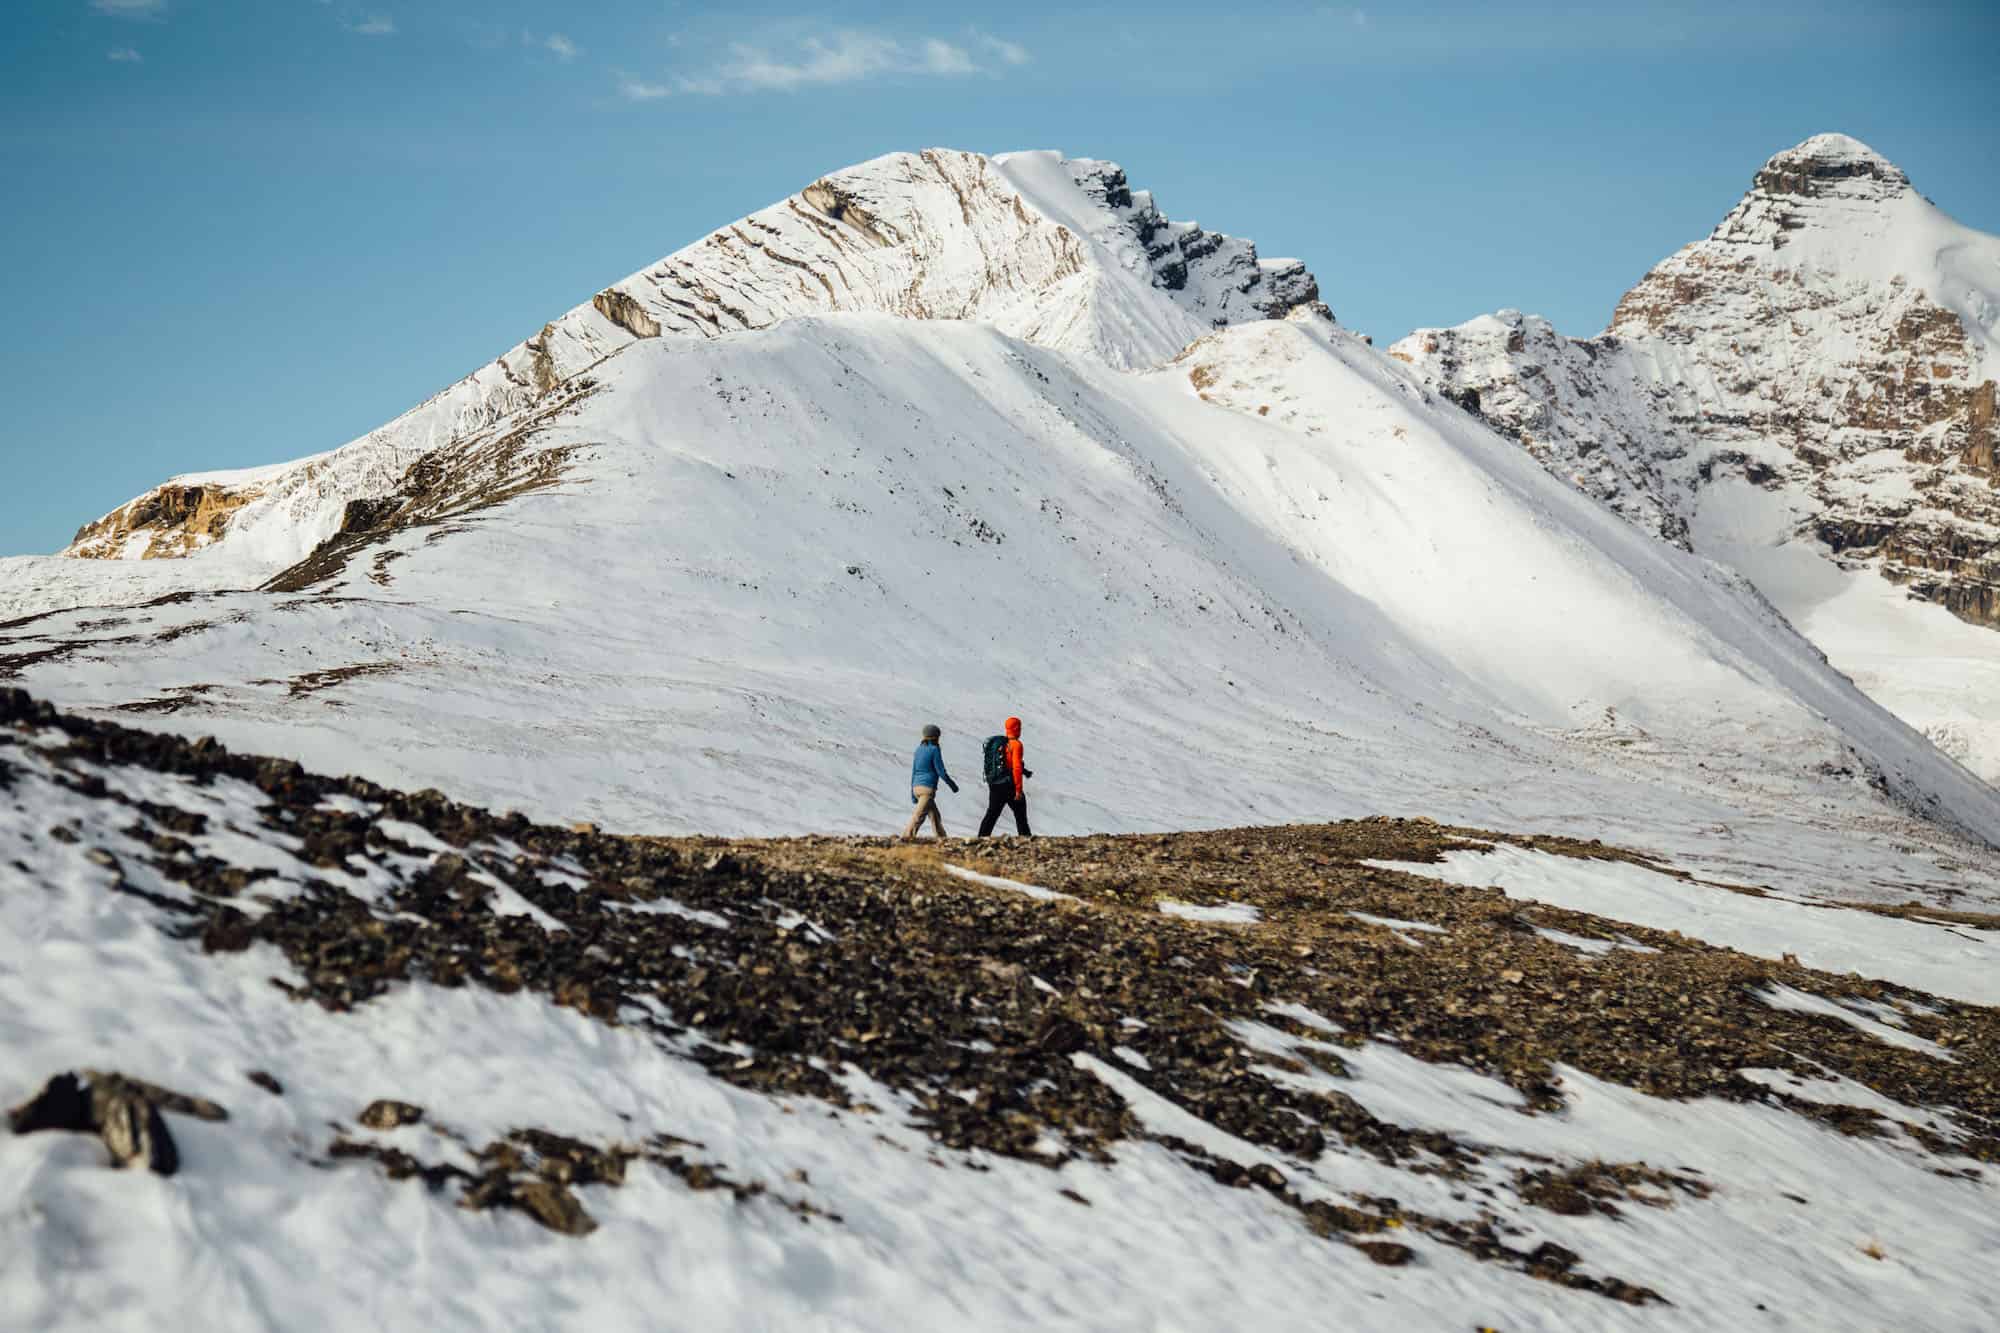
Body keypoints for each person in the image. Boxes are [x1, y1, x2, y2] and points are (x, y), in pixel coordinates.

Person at [977, 715, 1032, 838]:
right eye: (1020, 727)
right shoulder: (1016, 745)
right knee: (1020, 815)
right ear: (1016, 728)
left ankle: (981, 839)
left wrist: (1025, 771)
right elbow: (1016, 767)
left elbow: (1009, 764)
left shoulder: (1001, 744)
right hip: (1009, 785)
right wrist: (1018, 790)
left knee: (992, 814)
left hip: (995, 784)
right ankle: (1026, 840)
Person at [902, 723, 959, 840]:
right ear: (936, 737)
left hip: (916, 787)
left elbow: (914, 771)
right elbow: (941, 771)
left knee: (935, 816)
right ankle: (906, 838)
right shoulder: (934, 749)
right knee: (918, 816)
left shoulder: (918, 750)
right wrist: (952, 785)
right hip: (927, 788)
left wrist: (912, 794)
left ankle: (942, 839)